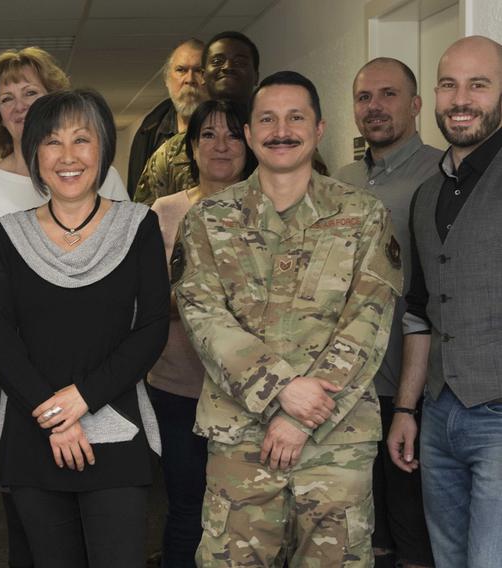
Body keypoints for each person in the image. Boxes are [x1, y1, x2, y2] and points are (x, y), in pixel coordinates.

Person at [177, 71, 402, 567]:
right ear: (251, 134)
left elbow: (369, 318)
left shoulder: (363, 214)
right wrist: (281, 389)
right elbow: (204, 317)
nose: (282, 130)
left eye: (295, 117)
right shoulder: (208, 220)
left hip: (334, 441)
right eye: (268, 120)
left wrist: (303, 413)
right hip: (240, 440)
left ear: (319, 128)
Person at [0, 46, 129, 568]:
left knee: (95, 513)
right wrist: (35, 375)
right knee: (27, 525)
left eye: (30, 92)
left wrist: (74, 374)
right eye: (6, 97)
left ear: (55, 97)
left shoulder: (104, 177)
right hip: (6, 380)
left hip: (92, 378)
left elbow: (122, 282)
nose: (19, 104)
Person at [0, 88, 169, 568]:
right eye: (51, 142)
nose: (68, 157)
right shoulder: (8, 234)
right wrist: (52, 416)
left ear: (103, 148)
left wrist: (80, 400)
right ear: (34, 154)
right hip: (31, 434)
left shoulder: (138, 225)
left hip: (117, 429)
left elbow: (150, 329)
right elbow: (0, 339)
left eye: (81, 140)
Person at [387, 36, 502, 568]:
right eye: (450, 85)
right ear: (433, 95)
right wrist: (408, 408)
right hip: (437, 416)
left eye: (479, 84)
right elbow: (420, 310)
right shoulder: (426, 194)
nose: (462, 99)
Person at [335, 57, 440, 568]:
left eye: (388, 94)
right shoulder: (341, 181)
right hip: (348, 391)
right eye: (364, 97)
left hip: (413, 389)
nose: (374, 106)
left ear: (416, 104)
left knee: (415, 532)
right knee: (363, 532)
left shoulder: (441, 175)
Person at [148, 99, 255, 568]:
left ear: (249, 143)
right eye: (207, 135)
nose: (221, 145)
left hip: (249, 391)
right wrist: (207, 302)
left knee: (247, 514)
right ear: (191, 148)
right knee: (188, 509)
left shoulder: (267, 207)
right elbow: (147, 301)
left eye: (232, 134)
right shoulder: (164, 212)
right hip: (179, 387)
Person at [134, 31, 259, 205]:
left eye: (240, 62)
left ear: (256, 76)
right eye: (217, 62)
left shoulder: (279, 142)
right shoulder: (170, 153)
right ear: (206, 76)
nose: (228, 67)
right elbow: (144, 221)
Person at [127, 38, 206, 198]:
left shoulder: (230, 132)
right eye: (181, 70)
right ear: (166, 79)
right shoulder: (148, 133)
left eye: (199, 71)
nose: (190, 79)